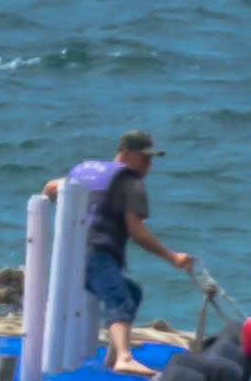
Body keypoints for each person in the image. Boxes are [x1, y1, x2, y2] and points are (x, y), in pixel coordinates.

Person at [69, 132, 210, 363]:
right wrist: (173, 258)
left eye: (151, 159)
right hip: (97, 254)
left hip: (71, 255)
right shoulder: (133, 185)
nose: (148, 165)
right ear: (125, 153)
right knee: (120, 299)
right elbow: (137, 232)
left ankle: (113, 356)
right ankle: (125, 358)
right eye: (143, 158)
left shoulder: (90, 175)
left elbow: (52, 187)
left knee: (132, 293)